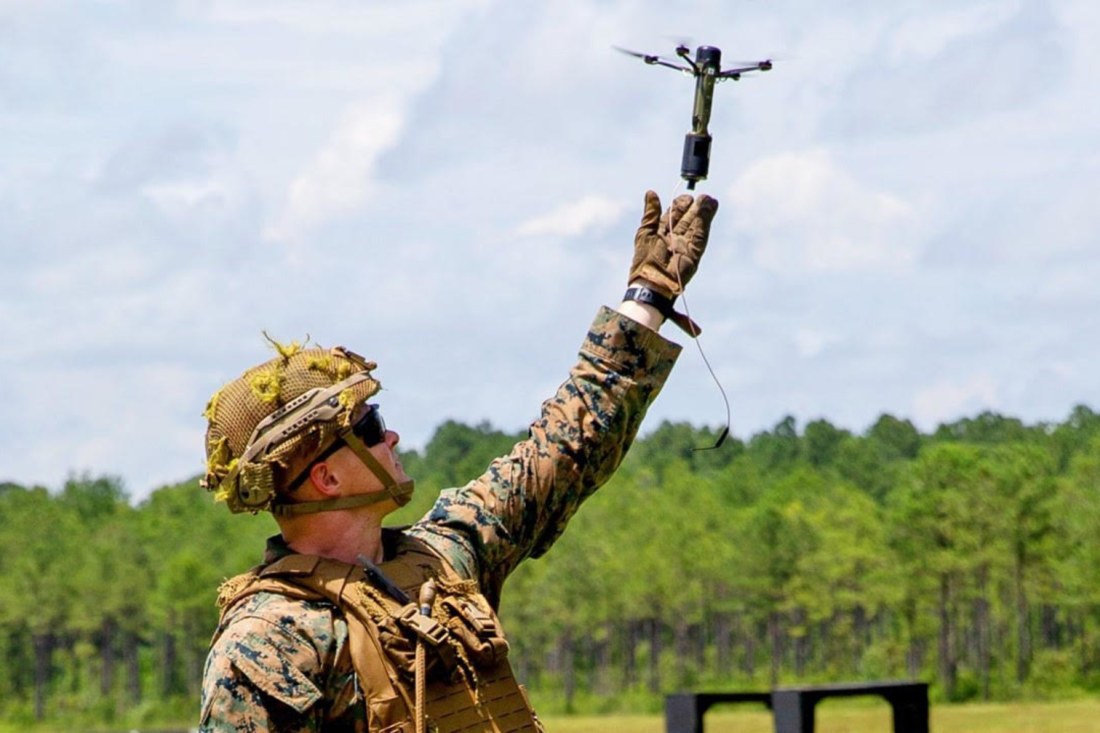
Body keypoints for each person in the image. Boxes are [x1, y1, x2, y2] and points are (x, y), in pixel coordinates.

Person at [198, 190, 718, 732]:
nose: (392, 435)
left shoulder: (443, 560)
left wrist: (647, 297)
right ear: (325, 477)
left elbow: (564, 446)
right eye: (370, 427)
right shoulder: (268, 644)